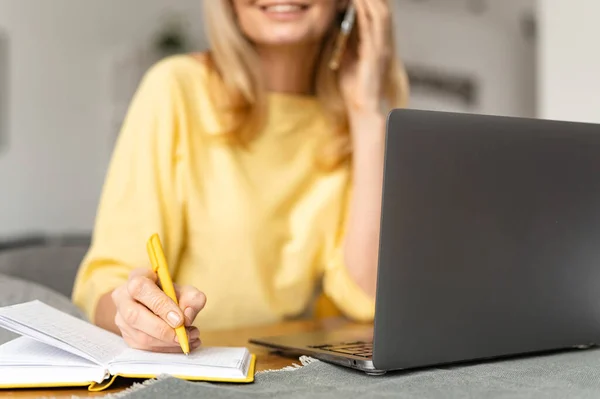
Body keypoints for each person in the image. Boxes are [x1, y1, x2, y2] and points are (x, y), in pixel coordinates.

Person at [72, 0, 409, 353]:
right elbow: (106, 280)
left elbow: (367, 299)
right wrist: (133, 315)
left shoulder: (353, 121)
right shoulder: (176, 88)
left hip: (292, 372)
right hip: (188, 369)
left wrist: (367, 114)